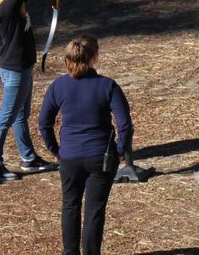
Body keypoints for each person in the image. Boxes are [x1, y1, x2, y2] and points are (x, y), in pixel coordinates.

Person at [38, 35, 133, 255]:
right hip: (100, 157)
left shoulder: (58, 86)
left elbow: (44, 123)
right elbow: (125, 125)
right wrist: (120, 150)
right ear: (94, 57)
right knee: (94, 210)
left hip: (69, 156)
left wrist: (56, 150)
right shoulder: (107, 86)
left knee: (70, 205)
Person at [0, 0, 60, 181]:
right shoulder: (6, 8)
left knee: (20, 116)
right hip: (14, 71)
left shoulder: (12, 6)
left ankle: (29, 158)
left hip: (21, 68)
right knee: (6, 117)